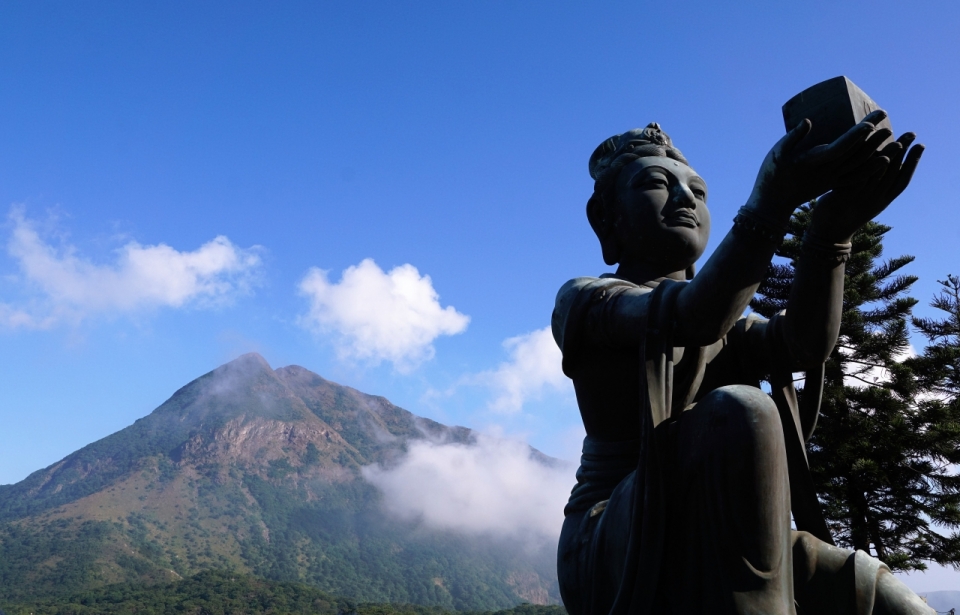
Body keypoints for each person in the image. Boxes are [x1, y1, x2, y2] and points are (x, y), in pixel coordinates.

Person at [553, 117, 932, 614]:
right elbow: (692, 317)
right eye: (655, 184)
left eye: (699, 191)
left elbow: (800, 344)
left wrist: (830, 232)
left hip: (722, 517)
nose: (686, 200)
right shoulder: (590, 300)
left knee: (880, 594)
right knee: (740, 409)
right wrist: (771, 204)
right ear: (606, 219)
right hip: (617, 531)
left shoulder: (733, 325)